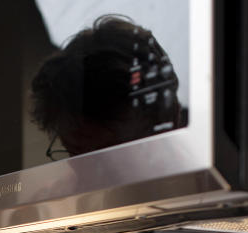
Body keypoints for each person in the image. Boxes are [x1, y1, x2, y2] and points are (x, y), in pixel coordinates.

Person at [30, 15, 187, 159]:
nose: (87, 175)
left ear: (167, 122)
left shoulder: (205, 180)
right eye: (75, 154)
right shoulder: (66, 188)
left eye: (104, 157)